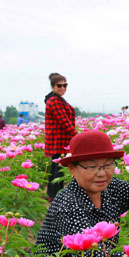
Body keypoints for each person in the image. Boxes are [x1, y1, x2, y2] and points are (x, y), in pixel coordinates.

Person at [44, 73, 77, 201]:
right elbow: (65, 122)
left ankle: (54, 195)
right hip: (58, 140)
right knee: (58, 169)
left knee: (57, 168)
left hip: (61, 139)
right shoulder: (54, 101)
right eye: (59, 85)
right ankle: (55, 196)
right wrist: (78, 136)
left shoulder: (58, 99)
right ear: (53, 86)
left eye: (65, 85)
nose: (62, 88)